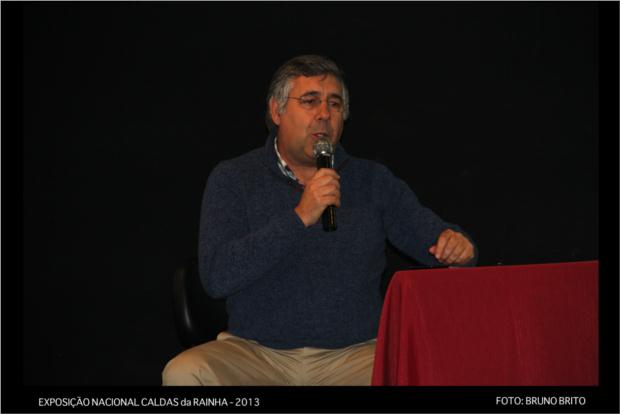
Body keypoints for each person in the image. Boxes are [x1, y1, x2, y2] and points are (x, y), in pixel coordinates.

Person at [162, 54, 477, 386]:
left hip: (354, 356)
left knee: (424, 369)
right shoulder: (234, 179)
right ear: (276, 111)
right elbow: (217, 276)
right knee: (185, 372)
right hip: (256, 354)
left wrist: (459, 248)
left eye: (335, 104)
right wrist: (299, 217)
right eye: (310, 101)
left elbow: (436, 239)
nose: (324, 114)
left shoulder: (372, 181)